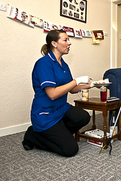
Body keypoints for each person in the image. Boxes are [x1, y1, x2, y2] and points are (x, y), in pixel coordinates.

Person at [22, 29, 93, 157]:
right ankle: (33, 135)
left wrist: (90, 85)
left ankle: (59, 133)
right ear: (54, 43)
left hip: (60, 109)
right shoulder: (44, 63)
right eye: (65, 40)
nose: (69, 43)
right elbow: (52, 94)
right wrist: (77, 81)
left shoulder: (64, 65)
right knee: (70, 150)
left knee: (83, 117)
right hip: (45, 113)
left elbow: (71, 89)